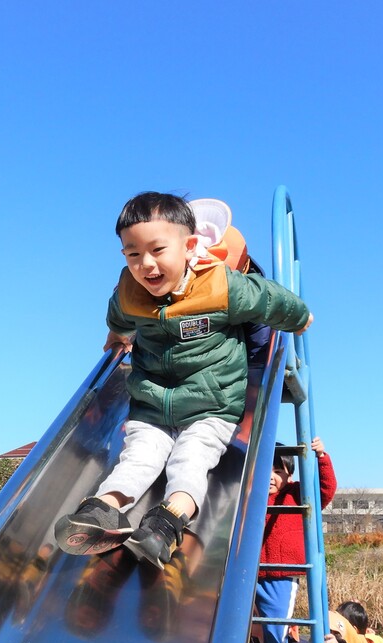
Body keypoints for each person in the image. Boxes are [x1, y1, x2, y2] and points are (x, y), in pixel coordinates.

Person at [55, 192, 313, 568]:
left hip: (212, 405)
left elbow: (267, 299)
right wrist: (117, 336)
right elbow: (118, 316)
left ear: (190, 246)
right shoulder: (129, 293)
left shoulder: (220, 286)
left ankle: (166, 522)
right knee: (138, 458)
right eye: (132, 254)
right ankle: (102, 510)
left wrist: (299, 316)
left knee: (191, 461)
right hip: (152, 403)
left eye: (158, 250)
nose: (146, 264)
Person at [256, 437, 338, 643]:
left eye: (278, 470)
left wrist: (321, 458)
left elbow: (325, 492)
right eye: (264, 467)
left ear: (289, 474)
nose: (270, 476)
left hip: (280, 577)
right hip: (246, 575)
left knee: (276, 638)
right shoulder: (247, 494)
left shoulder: (294, 494)